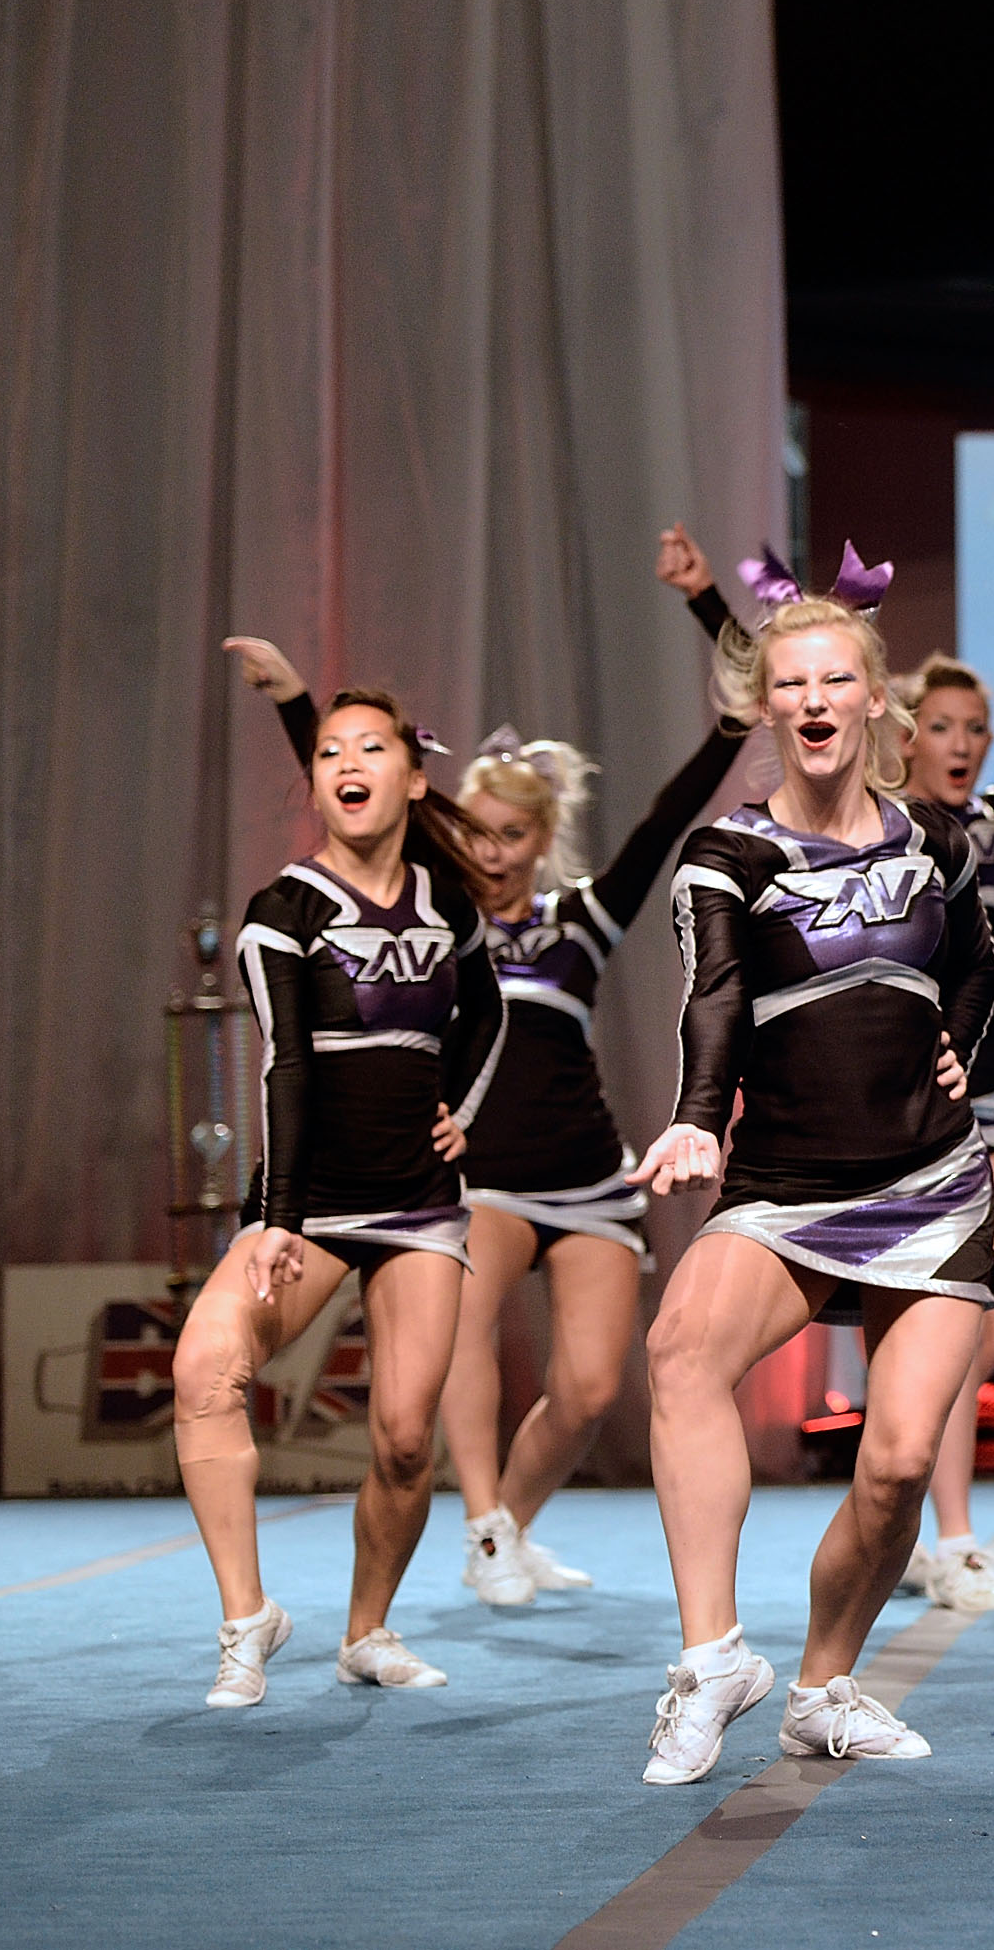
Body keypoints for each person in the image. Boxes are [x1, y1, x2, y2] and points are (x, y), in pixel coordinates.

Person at [660, 533, 994, 1619]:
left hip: (984, 1107)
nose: (956, 741)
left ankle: (924, 1501)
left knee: (978, 1333)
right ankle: (942, 1534)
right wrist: (708, 598)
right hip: (833, 1120)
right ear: (912, 724)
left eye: (971, 727)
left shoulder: (982, 830)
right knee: (729, 1345)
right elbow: (788, 672)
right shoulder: (773, 829)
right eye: (938, 722)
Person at [222, 546, 746, 1607]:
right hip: (481, 1171)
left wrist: (727, 701)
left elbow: (660, 822)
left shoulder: (581, 924)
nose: (497, 852)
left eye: (517, 836)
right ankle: (483, 1525)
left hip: (589, 1175)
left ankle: (509, 1521)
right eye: (484, 834)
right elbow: (361, 779)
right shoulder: (435, 907)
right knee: (458, 1333)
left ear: (544, 838)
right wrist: (293, 702)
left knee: (594, 1386)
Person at [625, 560, 994, 1785]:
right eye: (791, 681)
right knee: (682, 1350)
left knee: (897, 1462)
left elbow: (981, 969)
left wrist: (964, 1048)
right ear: (768, 706)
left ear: (877, 697)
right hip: (787, 1179)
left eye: (837, 676)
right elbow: (717, 999)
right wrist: (695, 1118)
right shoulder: (727, 852)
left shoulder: (941, 836)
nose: (815, 696)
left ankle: (824, 1683)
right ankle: (712, 1656)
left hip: (934, 1185)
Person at [177, 690, 507, 1707]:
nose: (346, 764)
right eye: (327, 751)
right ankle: (248, 1617)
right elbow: (286, 1068)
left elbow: (489, 1013)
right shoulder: (284, 910)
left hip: (418, 1201)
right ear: (314, 780)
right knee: (204, 1370)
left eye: (371, 748)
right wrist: (277, 1217)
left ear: (413, 777)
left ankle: (367, 1630)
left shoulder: (447, 904)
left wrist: (467, 1111)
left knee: (408, 1437)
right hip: (307, 1204)